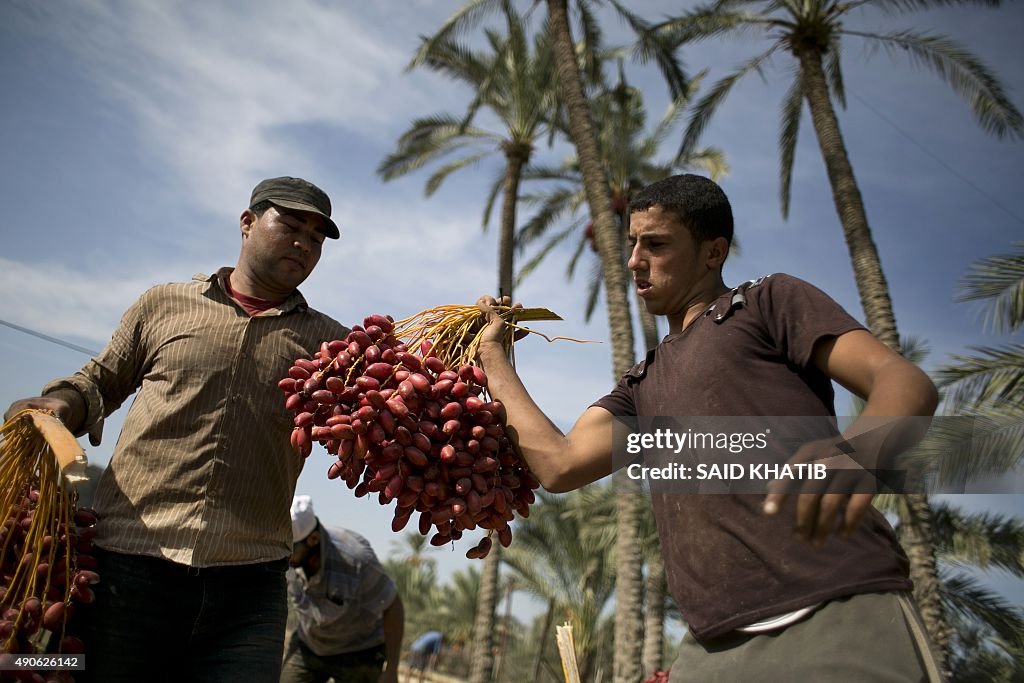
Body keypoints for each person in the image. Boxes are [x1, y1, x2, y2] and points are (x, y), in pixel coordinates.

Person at [475, 174, 944, 682]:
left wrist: (861, 452)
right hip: (710, 646)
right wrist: (492, 357)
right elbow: (559, 464)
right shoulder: (640, 385)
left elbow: (903, 382)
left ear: (712, 252)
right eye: (632, 244)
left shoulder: (767, 303)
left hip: (833, 610)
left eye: (655, 244)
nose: (635, 260)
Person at [3, 176, 349, 682]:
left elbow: (388, 417)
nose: (304, 243)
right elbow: (98, 382)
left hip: (250, 586)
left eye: (317, 238)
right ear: (247, 223)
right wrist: (58, 404)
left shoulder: (332, 345)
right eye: (291, 226)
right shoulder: (164, 304)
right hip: (128, 565)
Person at [282, 495, 404, 683]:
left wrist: (392, 670)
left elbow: (392, 605)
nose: (284, 553)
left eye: (290, 547)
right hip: (309, 646)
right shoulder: (286, 557)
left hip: (358, 653)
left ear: (313, 539)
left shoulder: (355, 559)